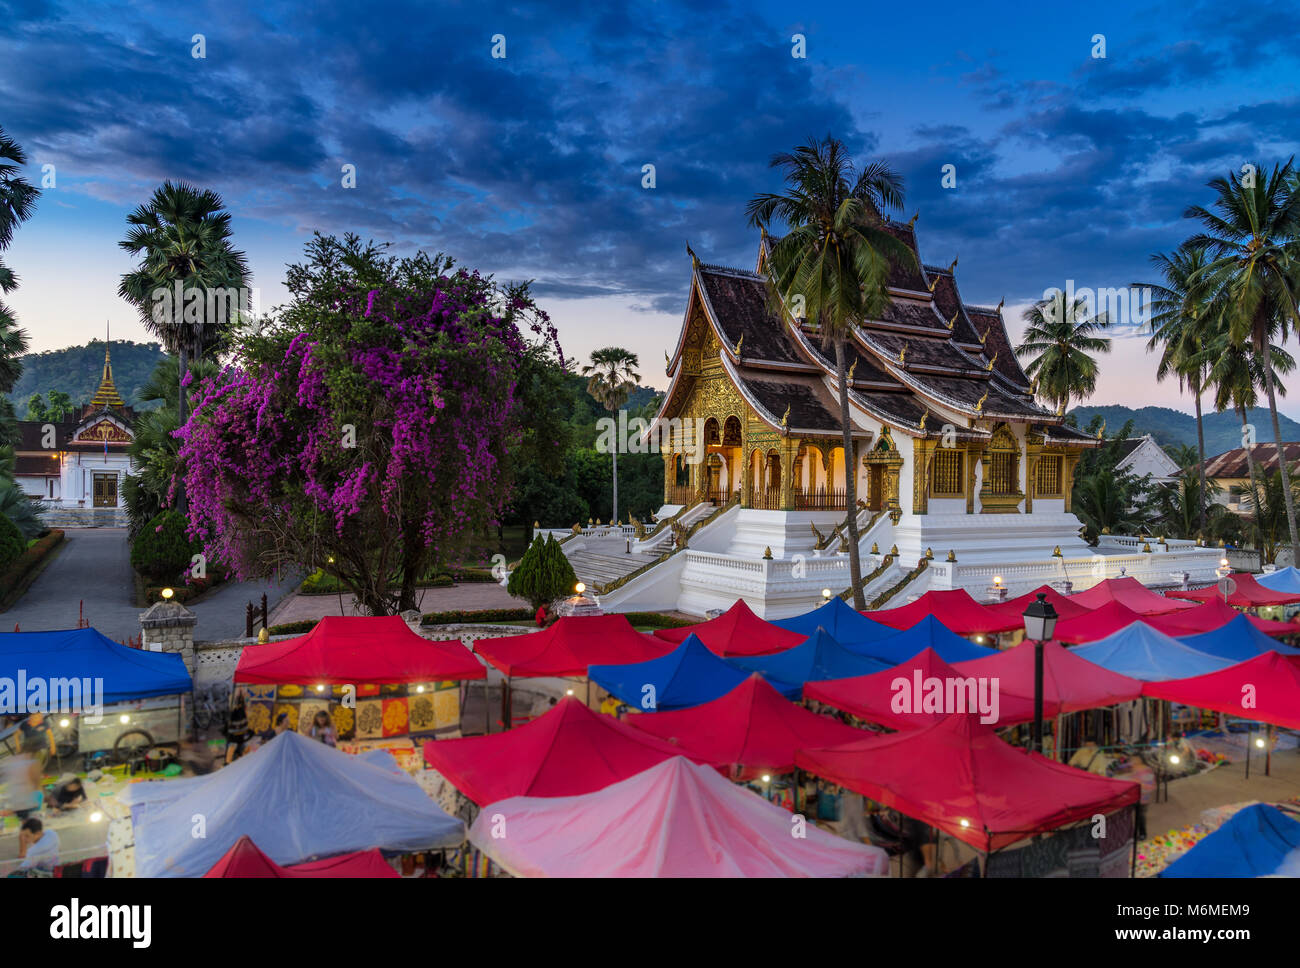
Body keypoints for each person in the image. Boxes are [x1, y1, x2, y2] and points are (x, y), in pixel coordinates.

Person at [224, 691, 252, 764]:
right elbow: (231, 706)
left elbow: (248, 705)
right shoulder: (232, 696)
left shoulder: (246, 696)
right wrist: (236, 696)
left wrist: (245, 697)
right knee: (231, 747)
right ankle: (229, 763)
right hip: (233, 730)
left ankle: (238, 760)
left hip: (241, 730)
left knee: (242, 746)